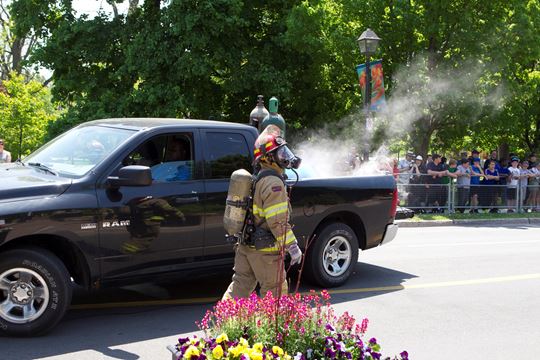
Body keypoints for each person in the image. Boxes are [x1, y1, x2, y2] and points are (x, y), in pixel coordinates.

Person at [222, 132, 302, 300]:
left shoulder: (259, 178)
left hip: (246, 246)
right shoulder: (274, 183)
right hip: (265, 253)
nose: (285, 157)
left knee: (239, 288)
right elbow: (277, 222)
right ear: (267, 158)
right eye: (280, 153)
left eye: (284, 151)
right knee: (275, 292)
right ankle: (270, 327)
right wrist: (292, 247)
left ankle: (223, 323)